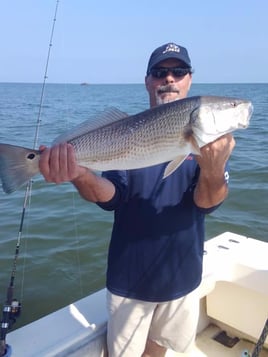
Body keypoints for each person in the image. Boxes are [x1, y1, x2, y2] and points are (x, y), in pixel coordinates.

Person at [39, 42, 235, 357]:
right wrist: (79, 173)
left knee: (159, 351)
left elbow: (207, 203)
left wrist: (214, 168)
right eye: (160, 72)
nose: (169, 79)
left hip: (183, 277)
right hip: (128, 282)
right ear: (147, 81)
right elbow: (111, 196)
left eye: (179, 71)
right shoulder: (124, 132)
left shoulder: (209, 142)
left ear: (189, 80)